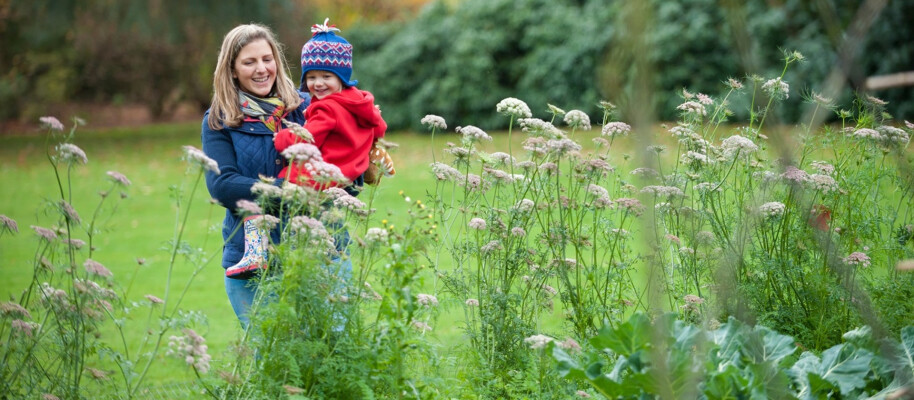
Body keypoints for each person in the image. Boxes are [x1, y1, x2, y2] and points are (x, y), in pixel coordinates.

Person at [201, 23, 309, 328]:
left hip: (313, 254)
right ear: (233, 70)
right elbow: (223, 185)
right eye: (249, 62)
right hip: (250, 265)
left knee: (325, 349)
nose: (262, 69)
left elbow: (340, 164)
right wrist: (289, 189)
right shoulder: (220, 120)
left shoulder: (305, 108)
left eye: (267, 59)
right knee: (269, 351)